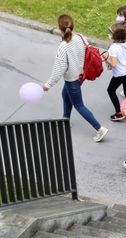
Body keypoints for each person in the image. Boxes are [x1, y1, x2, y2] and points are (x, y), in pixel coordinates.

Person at [42, 14, 108, 142]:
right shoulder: (80, 37)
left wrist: (48, 84)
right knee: (65, 96)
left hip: (72, 79)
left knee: (79, 105)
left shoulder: (63, 47)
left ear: (60, 27)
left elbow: (59, 68)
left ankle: (100, 129)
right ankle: (65, 120)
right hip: (81, 75)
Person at [102, 25, 126, 121]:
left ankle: (119, 112)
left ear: (115, 36)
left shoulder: (114, 47)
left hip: (119, 74)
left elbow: (113, 64)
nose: (109, 35)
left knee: (111, 90)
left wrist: (105, 57)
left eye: (110, 33)